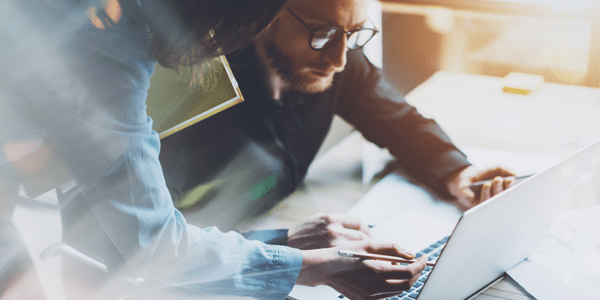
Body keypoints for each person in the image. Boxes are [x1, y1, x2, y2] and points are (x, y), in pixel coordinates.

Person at [0, 0, 429, 299]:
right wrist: (307, 265)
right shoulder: (112, 47)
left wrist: (284, 248)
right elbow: (139, 242)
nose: (338, 57)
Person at [160, 0, 517, 236]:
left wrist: (458, 173)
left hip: (285, 218)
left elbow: (398, 121)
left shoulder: (334, 60)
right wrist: (282, 244)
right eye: (322, 32)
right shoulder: (191, 96)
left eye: (353, 33)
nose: (340, 59)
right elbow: (151, 237)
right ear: (264, 12)